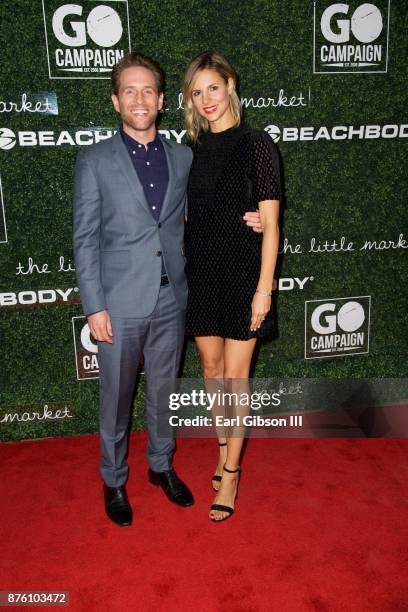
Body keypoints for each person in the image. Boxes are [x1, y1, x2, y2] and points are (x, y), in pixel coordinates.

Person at [73, 51, 261, 527]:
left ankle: (161, 467)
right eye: (129, 91)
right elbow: (85, 238)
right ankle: (114, 479)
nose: (140, 99)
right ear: (116, 101)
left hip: (173, 298)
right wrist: (94, 305)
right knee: (116, 398)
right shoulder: (93, 160)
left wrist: (253, 219)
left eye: (148, 91)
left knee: (163, 393)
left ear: (161, 100)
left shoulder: (183, 155)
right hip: (117, 302)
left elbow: (209, 205)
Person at [182, 51, 281, 522]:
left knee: (237, 378)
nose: (206, 100)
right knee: (210, 365)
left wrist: (265, 290)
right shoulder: (191, 151)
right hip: (202, 272)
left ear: (230, 85)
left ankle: (233, 470)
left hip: (243, 274)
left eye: (213, 88)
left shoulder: (257, 144)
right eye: (196, 93)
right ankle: (223, 447)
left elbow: (273, 225)